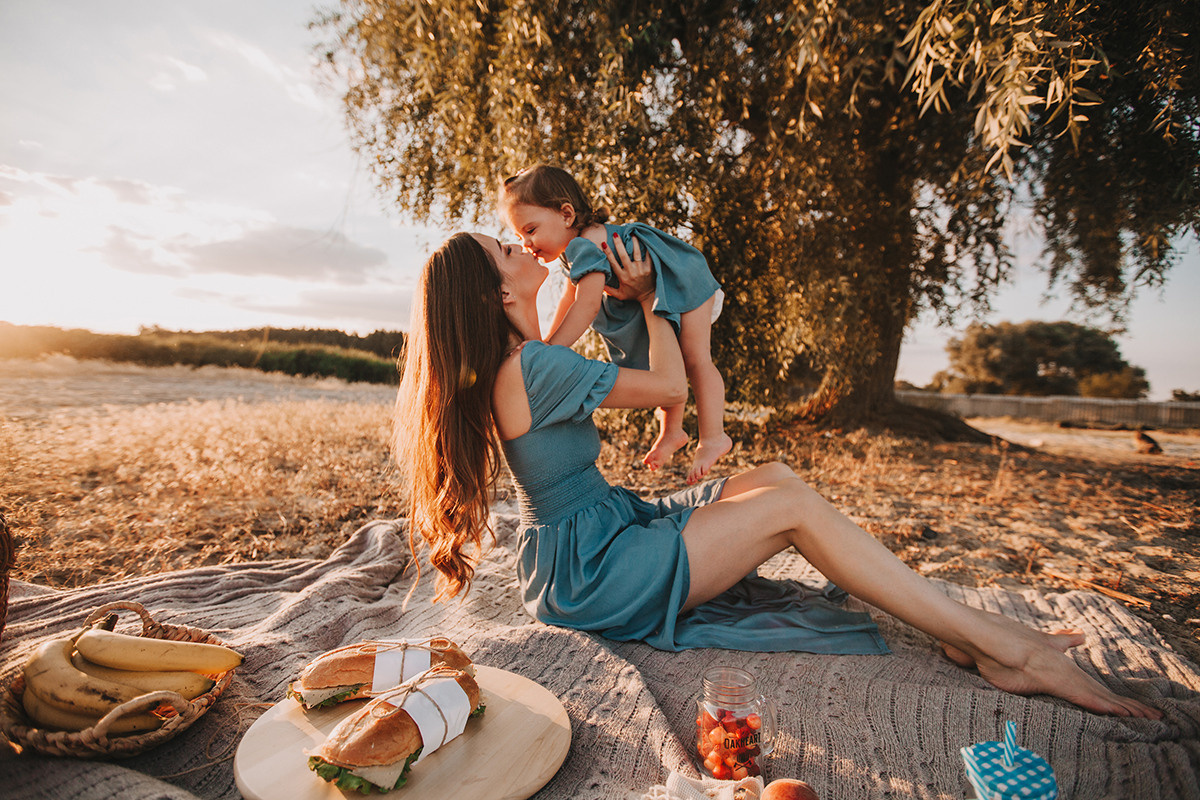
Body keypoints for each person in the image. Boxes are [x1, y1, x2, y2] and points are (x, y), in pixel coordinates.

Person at [392, 230, 1161, 719]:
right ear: (499, 293)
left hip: (595, 538)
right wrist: (656, 300)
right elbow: (668, 385)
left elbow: (625, 365)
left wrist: (620, 300)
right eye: (505, 249)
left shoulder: (528, 359)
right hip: (593, 572)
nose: (520, 243)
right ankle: (1002, 649)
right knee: (791, 508)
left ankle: (959, 629)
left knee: (778, 476)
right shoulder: (530, 366)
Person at [499, 165, 731, 484]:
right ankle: (673, 431)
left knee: (696, 358)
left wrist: (551, 348)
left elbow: (587, 304)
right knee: (668, 359)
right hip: (664, 284)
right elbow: (569, 298)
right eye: (519, 236)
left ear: (566, 214)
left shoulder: (585, 244)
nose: (526, 243)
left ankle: (713, 437)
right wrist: (546, 344)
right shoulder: (572, 251)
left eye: (531, 229)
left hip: (682, 277)